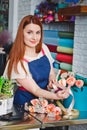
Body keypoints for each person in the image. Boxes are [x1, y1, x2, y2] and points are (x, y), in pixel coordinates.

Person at [3, 15, 69, 112]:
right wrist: (56, 96)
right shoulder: (17, 61)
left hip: (43, 100)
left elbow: (51, 73)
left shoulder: (43, 48)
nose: (34, 37)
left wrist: (52, 82)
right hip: (24, 106)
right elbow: (35, 90)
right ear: (22, 33)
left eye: (38, 33)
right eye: (29, 32)